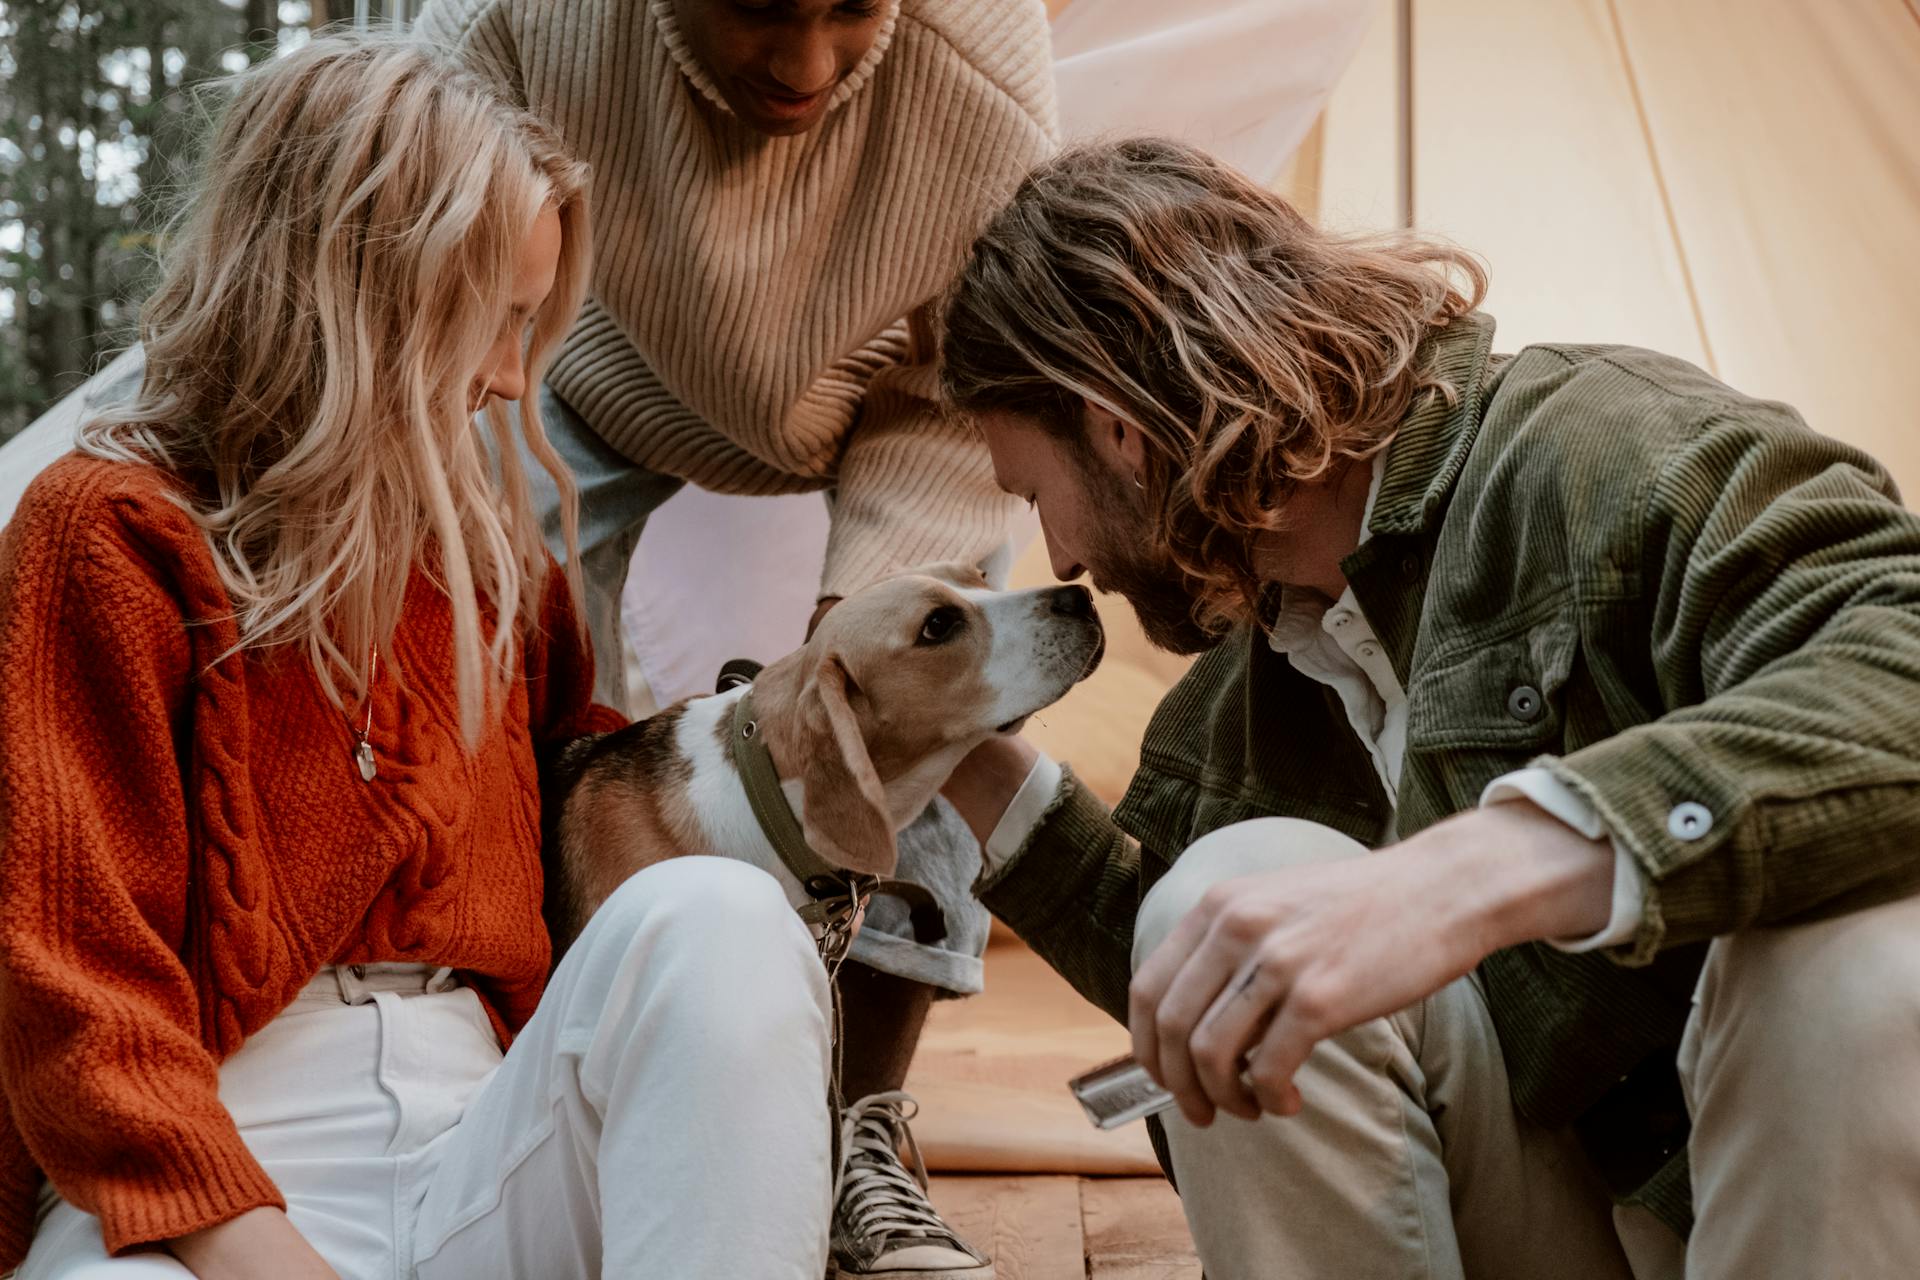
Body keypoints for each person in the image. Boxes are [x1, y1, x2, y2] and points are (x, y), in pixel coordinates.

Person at [935, 137, 1920, 1280]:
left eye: (1036, 495)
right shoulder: (1242, 703)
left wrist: (1475, 872)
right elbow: (1216, 1001)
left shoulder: (1606, 451)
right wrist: (975, 773)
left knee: (1849, 951)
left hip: (1796, 1204)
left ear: (1119, 426)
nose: (1061, 551)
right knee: (1232, 889)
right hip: (1563, 1222)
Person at [0, 35, 838, 1279]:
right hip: (202, 1181)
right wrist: (262, 1250)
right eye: (494, 320)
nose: (512, 380)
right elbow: (71, 977)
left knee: (718, 915)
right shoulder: (104, 532)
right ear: (361, 292)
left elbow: (587, 799)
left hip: (484, 1135)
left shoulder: (495, 566)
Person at [406, 2, 1057, 1271]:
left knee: (940, 680)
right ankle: (539, 1059)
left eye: (855, 9)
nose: (807, 66)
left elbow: (973, 381)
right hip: (568, 369)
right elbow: (425, 285)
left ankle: (857, 1131)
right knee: (479, 665)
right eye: (759, 4)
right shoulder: (510, 20)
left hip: (893, 394)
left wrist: (853, 658)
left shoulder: (987, 79)